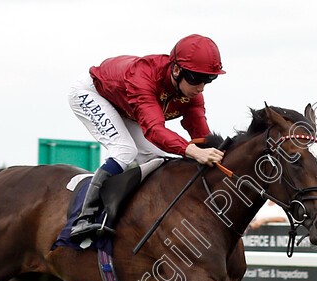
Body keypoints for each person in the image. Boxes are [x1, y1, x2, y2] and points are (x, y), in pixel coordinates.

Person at [67, 34, 226, 243]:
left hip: (126, 107)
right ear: (176, 70)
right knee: (125, 150)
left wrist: (221, 153)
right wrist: (194, 152)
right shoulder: (143, 77)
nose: (201, 87)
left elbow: (201, 135)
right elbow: (154, 130)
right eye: (196, 79)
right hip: (92, 93)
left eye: (208, 80)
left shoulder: (192, 93)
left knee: (157, 156)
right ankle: (83, 218)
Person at [250, 201, 297, 281]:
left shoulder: (282, 204)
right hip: (265, 249)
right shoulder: (263, 204)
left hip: (282, 248)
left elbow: (283, 219)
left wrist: (265, 221)